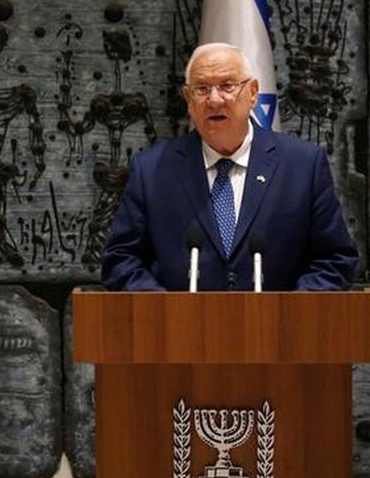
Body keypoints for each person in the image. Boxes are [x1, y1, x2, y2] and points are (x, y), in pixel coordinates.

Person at [101, 42, 358, 291]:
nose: (214, 100)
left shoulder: (302, 166)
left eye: (227, 86)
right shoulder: (152, 170)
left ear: (253, 93)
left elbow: (335, 260)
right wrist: (165, 312)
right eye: (202, 89)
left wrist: (289, 313)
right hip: (178, 331)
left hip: (280, 331)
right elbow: (120, 259)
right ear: (188, 99)